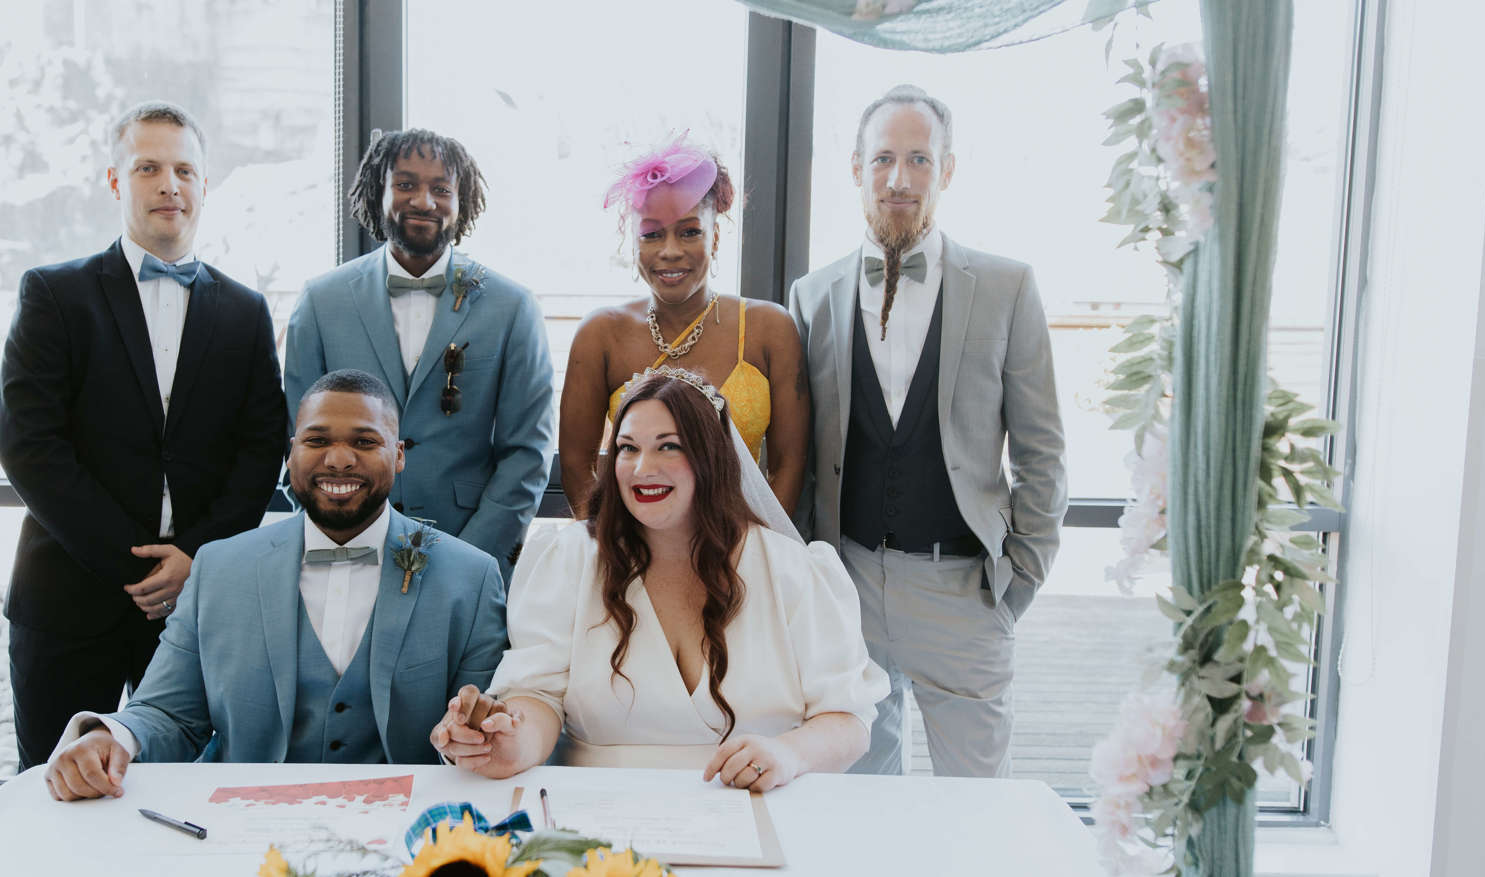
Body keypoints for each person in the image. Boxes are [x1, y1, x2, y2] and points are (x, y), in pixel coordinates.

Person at [42, 369, 510, 800]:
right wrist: (110, 736)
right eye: (317, 439)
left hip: (410, 826)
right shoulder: (220, 568)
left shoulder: (470, 576)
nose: (340, 459)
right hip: (241, 824)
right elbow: (168, 713)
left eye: (365, 442)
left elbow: (479, 724)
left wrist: (470, 735)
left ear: (399, 454)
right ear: (291, 453)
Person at [0, 100, 289, 770]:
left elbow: (259, 450)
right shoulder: (54, 295)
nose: (169, 183)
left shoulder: (245, 312)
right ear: (114, 180)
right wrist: (139, 567)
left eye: (185, 169)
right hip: (69, 600)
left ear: (205, 185)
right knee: (58, 790)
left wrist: (195, 557)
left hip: (195, 604)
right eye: (148, 166)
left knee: (187, 793)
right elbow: (30, 446)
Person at [788, 84, 1068, 778]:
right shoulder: (812, 296)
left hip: (962, 591)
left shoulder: (1007, 288)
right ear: (856, 167)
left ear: (946, 170)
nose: (900, 178)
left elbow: (1044, 451)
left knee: (976, 812)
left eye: (919, 159)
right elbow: (794, 453)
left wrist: (1017, 582)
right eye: (883, 158)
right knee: (859, 807)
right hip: (846, 584)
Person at [429, 368, 886, 792]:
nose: (643, 467)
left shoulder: (793, 570)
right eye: (627, 448)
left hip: (757, 804)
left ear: (712, 456)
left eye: (669, 445)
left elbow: (847, 719)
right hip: (601, 814)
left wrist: (788, 754)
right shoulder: (569, 559)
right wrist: (503, 741)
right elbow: (537, 697)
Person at [285, 129, 553, 582]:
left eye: (441, 188)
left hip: (470, 551)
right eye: (406, 184)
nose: (424, 201)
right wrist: (333, 536)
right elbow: (294, 439)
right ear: (378, 191)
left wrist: (471, 561)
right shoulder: (319, 301)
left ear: (462, 199)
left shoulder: (513, 307)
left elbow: (528, 452)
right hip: (342, 551)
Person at [560, 137, 808, 517]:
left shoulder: (769, 329)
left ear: (716, 236)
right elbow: (578, 468)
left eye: (690, 231)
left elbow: (789, 467)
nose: (670, 250)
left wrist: (756, 555)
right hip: (634, 560)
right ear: (634, 242)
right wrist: (617, 551)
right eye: (652, 234)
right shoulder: (600, 334)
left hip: (745, 557)